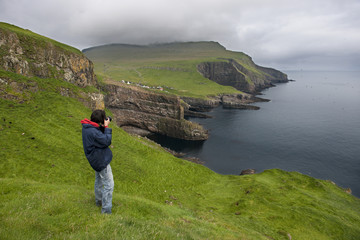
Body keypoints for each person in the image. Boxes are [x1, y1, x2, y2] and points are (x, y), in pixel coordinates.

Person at [80, 110, 114, 214]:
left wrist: (102, 126)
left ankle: (99, 201)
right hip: (101, 161)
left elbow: (97, 134)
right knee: (109, 184)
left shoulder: (87, 127)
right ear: (100, 120)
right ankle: (106, 211)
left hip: (94, 160)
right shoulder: (93, 132)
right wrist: (106, 128)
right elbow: (106, 141)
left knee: (98, 180)